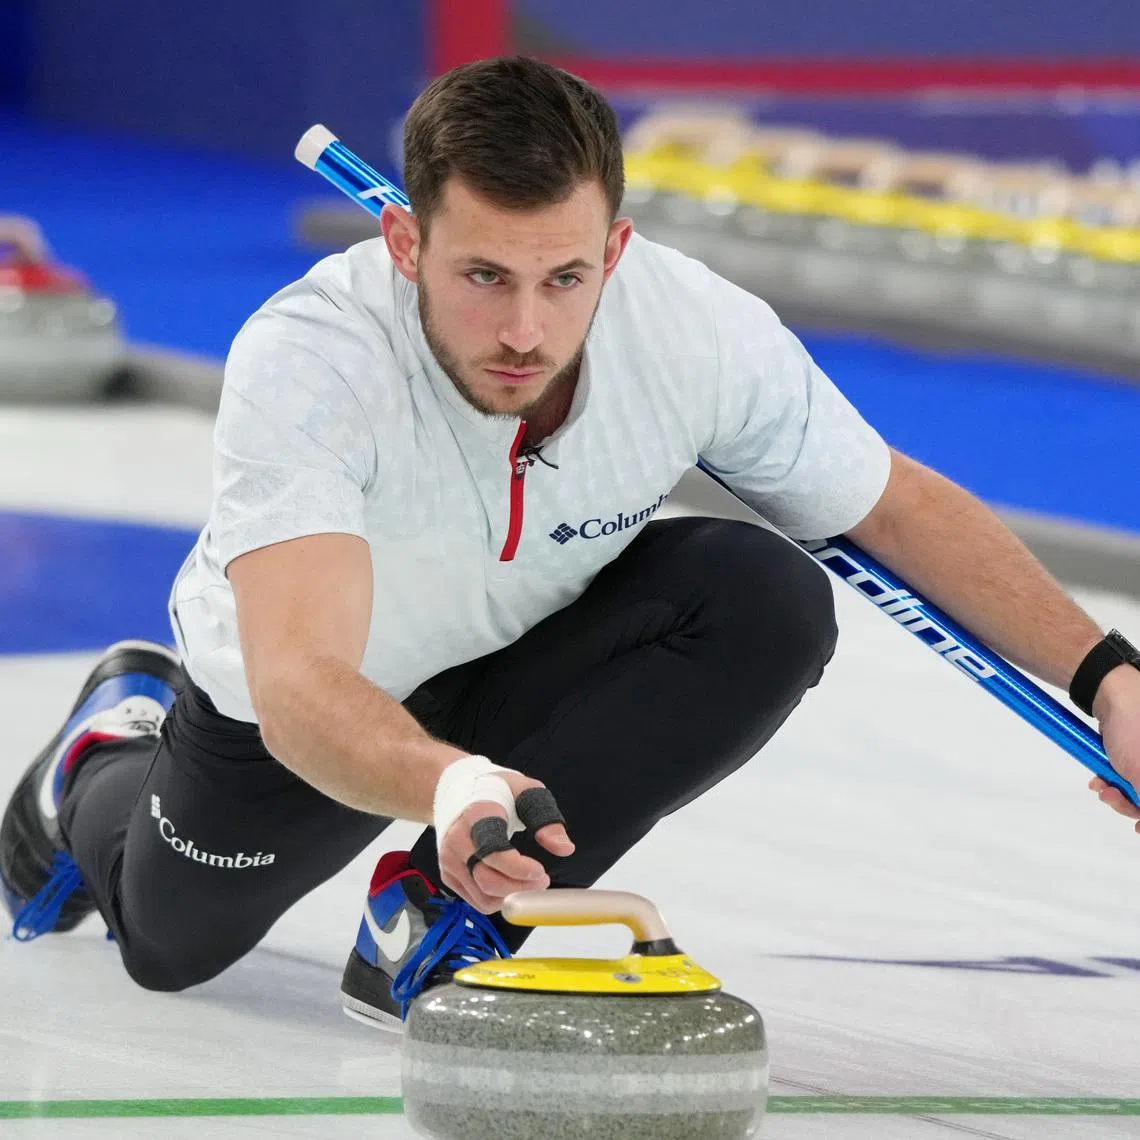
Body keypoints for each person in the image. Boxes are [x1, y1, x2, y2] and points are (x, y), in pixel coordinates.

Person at [3, 57, 1138, 1032]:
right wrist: (448, 781)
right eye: (483, 275)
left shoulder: (694, 331)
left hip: (533, 642)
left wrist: (1110, 675)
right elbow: (302, 682)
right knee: (168, 941)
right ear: (405, 241)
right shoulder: (311, 361)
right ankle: (98, 758)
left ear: (618, 245)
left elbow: (887, 506)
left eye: (566, 277)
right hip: (326, 706)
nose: (524, 332)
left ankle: (447, 919)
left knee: (765, 594)